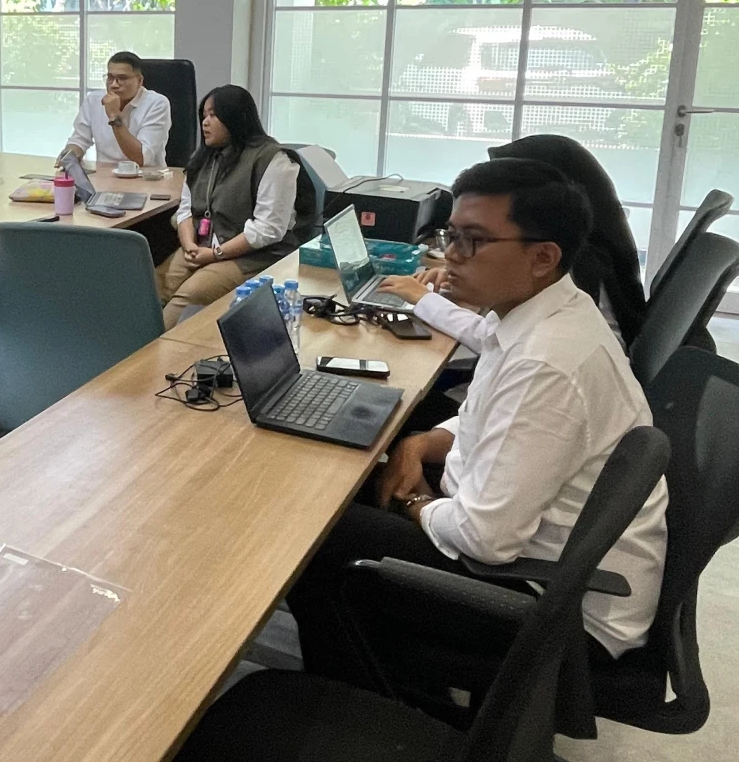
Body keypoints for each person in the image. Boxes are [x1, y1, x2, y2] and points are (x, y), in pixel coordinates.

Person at [287, 158, 668, 695]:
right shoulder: (543, 309)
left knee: (317, 540)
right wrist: (423, 443)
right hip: (540, 559)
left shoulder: (548, 362)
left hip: (553, 608)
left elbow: (486, 539)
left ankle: (361, 710)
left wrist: (414, 503)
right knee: (349, 476)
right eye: (452, 236)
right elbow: (489, 408)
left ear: (543, 257)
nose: (452, 256)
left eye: (474, 241)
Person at [381, 134, 648, 351]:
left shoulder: (580, 273)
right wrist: (464, 278)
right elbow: (497, 333)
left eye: (474, 238)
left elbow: (493, 339)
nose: (451, 253)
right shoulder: (560, 275)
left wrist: (426, 298)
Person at [154, 85, 316, 329]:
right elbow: (186, 209)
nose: (205, 122)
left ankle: (153, 349)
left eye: (213, 115)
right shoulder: (204, 158)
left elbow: (268, 228)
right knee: (155, 287)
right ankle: (129, 347)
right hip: (201, 246)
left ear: (236, 118)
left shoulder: (273, 159)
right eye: (204, 115)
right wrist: (189, 245)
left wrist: (215, 254)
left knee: (189, 295)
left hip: (253, 255)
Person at [59, 51, 171, 168]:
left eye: (122, 78)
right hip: (105, 174)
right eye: (110, 77)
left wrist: (114, 116)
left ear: (139, 81)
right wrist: (70, 154)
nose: (114, 85)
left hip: (145, 175)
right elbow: (79, 140)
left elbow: (142, 158)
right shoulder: (93, 100)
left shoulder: (157, 103)